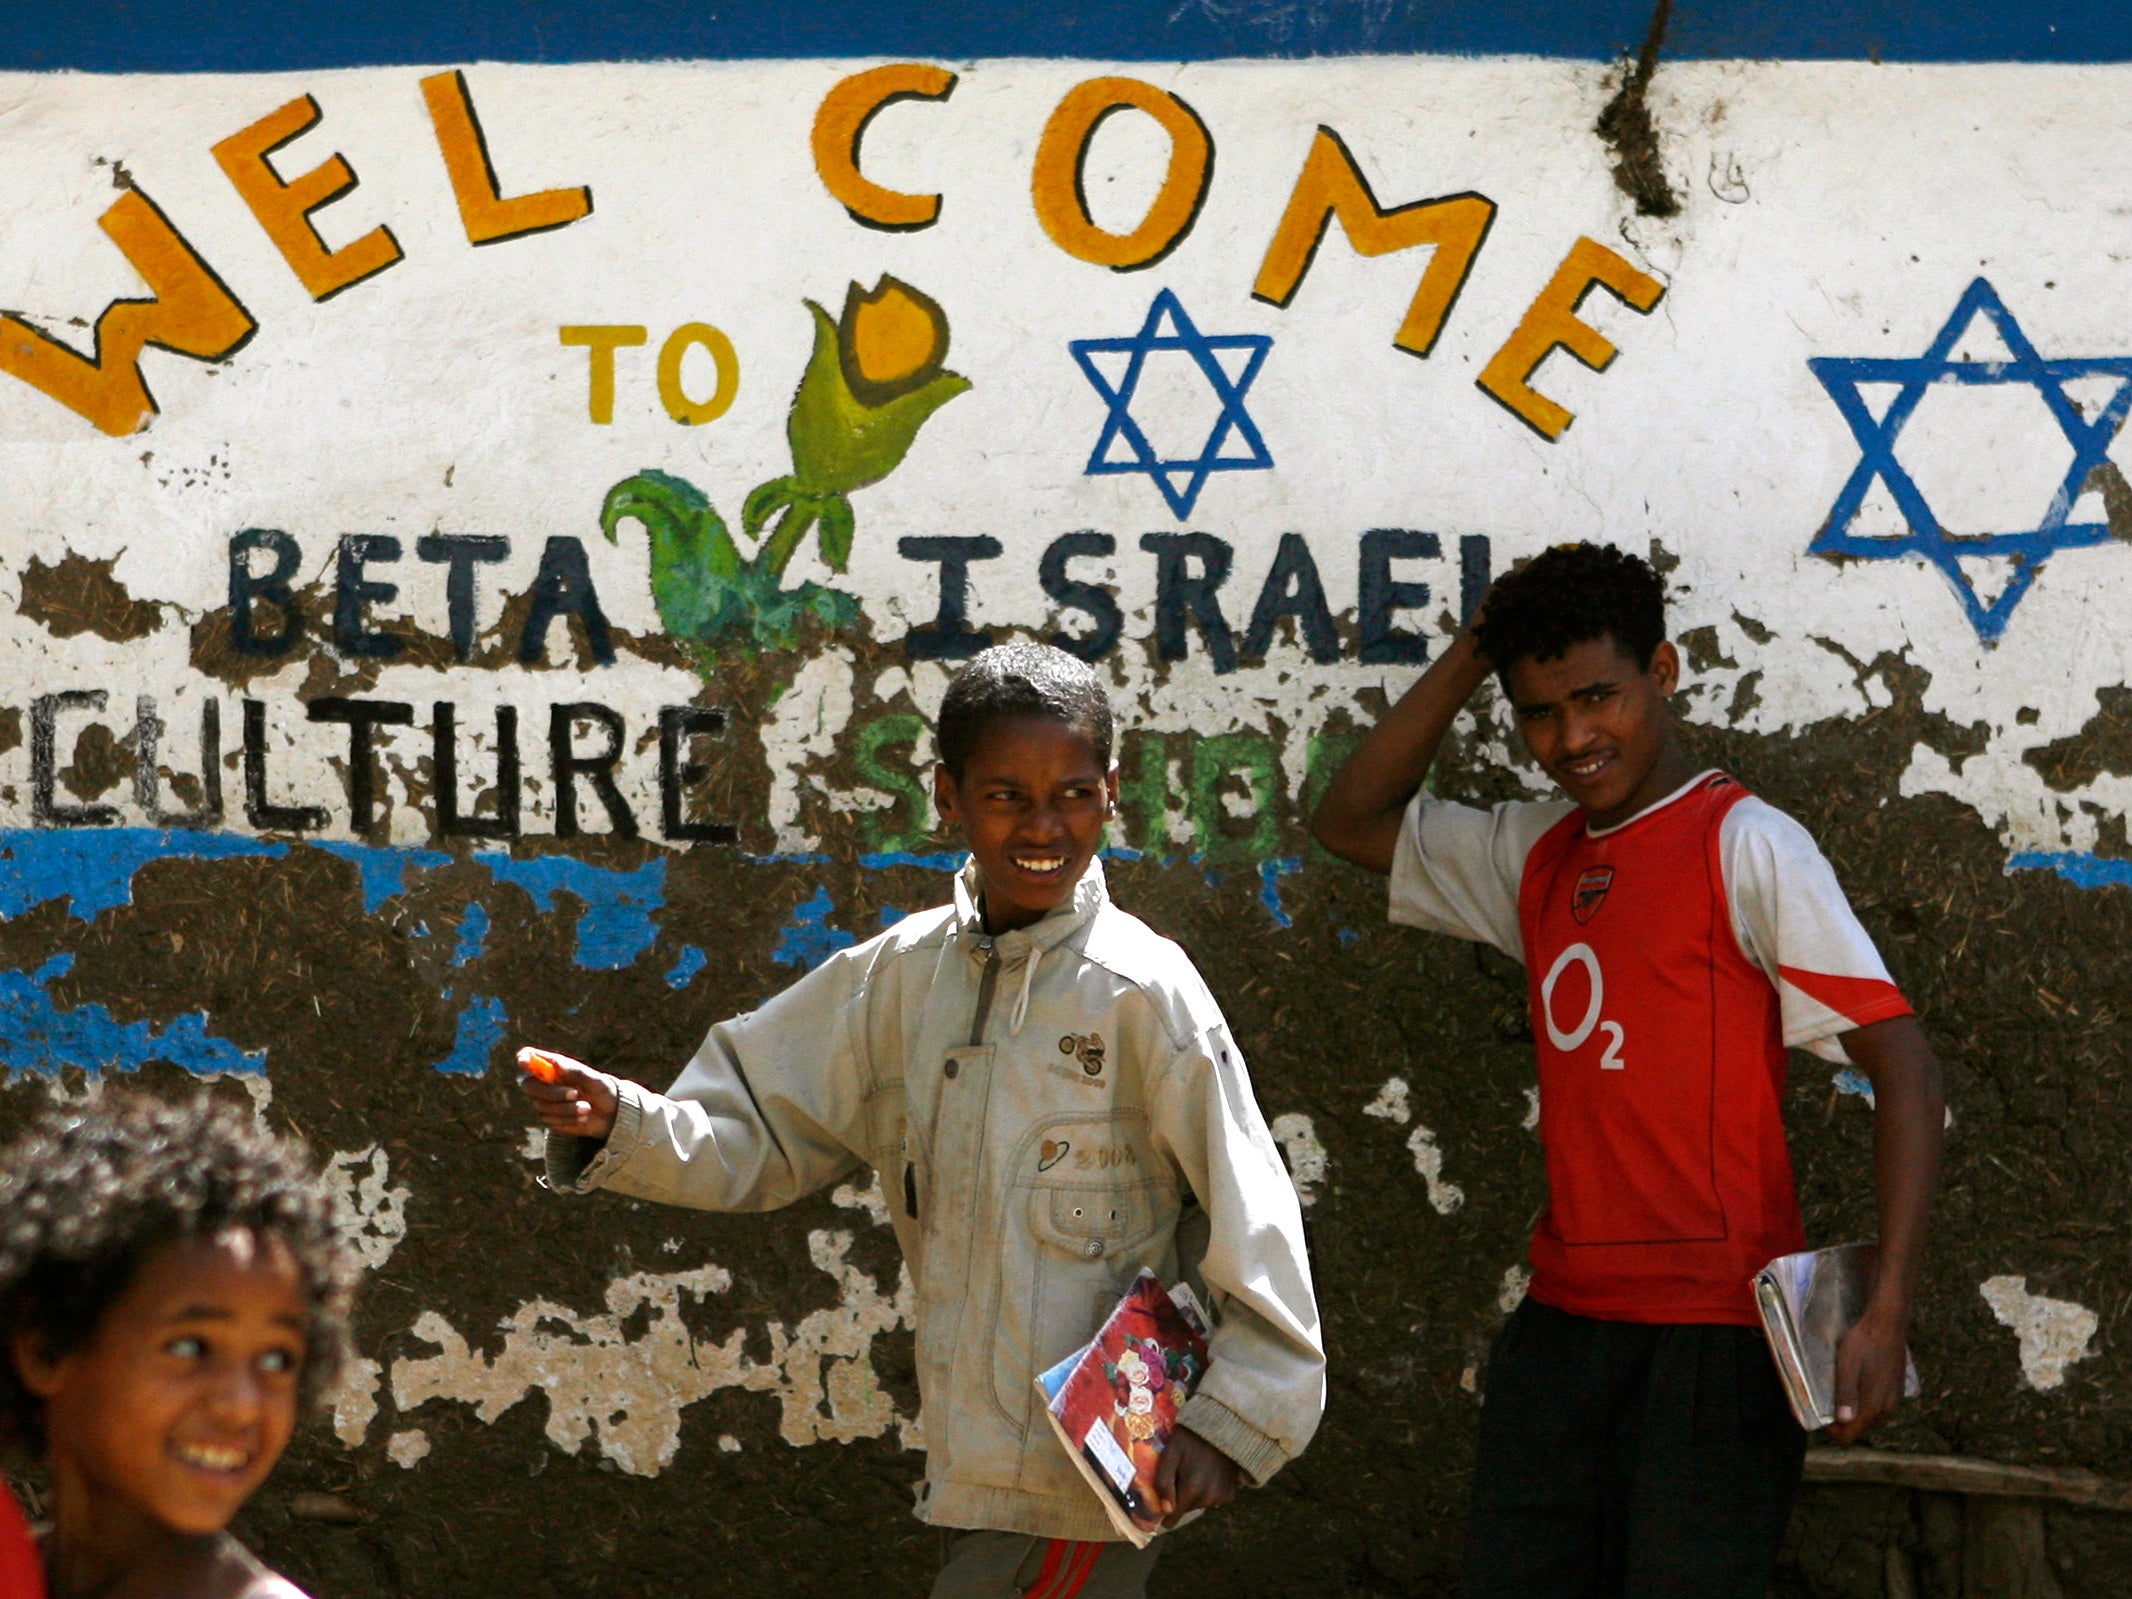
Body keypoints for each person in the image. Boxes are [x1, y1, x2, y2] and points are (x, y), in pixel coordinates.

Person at [521, 641, 1324, 1599]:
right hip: (975, 1469)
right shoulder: (902, 979)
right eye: (1004, 796)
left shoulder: (1143, 993)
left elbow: (1252, 1211)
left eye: (1071, 793)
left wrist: (1231, 1420)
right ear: (946, 796)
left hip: (1081, 1483)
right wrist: (623, 1122)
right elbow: (763, 1121)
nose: (1043, 825)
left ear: (1112, 793)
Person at [1313, 542, 1944, 1598]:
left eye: (1597, 697)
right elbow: (1347, 821)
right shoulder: (1535, 856)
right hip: (1561, 1332)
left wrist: (1883, 1309)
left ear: (1663, 669)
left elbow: (1906, 1069)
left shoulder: (1743, 845)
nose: (1569, 738)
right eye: (1537, 713)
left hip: (1714, 1340)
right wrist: (1477, 650)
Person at [0, 1095, 359, 1599]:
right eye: (191, 1347)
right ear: (45, 1348)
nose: (241, 1405)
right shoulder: (15, 1571)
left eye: (278, 1359)